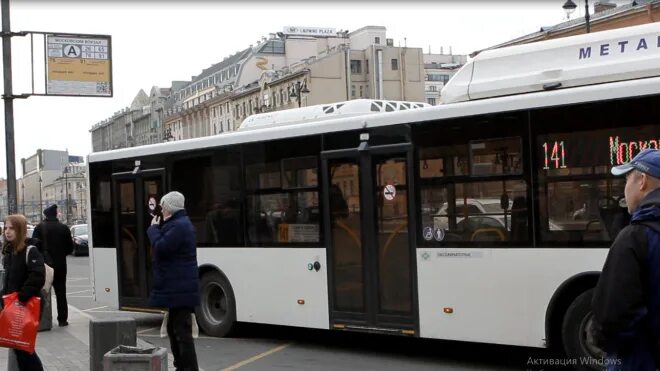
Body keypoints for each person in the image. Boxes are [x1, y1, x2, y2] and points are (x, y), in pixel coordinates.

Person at [591, 149, 660, 370]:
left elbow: (613, 317)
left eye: (627, 178)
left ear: (642, 181)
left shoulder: (635, 237)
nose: (624, 188)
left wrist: (601, 339)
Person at [147, 191, 200, 371]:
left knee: (181, 332)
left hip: (180, 287)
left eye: (163, 207)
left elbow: (161, 248)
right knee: (174, 330)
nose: (161, 210)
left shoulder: (179, 226)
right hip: (178, 287)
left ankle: (188, 368)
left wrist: (153, 230)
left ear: (169, 208)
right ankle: (181, 366)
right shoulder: (176, 224)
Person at [1, 214, 46, 370]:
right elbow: (9, 280)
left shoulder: (30, 250)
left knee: (24, 348)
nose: (7, 231)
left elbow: (38, 276)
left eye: (12, 228)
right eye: (6, 228)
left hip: (26, 305)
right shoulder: (9, 252)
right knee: (19, 347)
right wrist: (3, 296)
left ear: (20, 230)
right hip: (14, 306)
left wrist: (21, 296)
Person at [32, 204, 73, 327]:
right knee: (61, 293)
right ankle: (62, 320)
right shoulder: (64, 228)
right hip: (60, 266)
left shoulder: (39, 228)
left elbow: (34, 247)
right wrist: (60, 255)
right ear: (56, 214)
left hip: (44, 266)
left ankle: (42, 320)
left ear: (45, 215)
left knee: (42, 292)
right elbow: (70, 248)